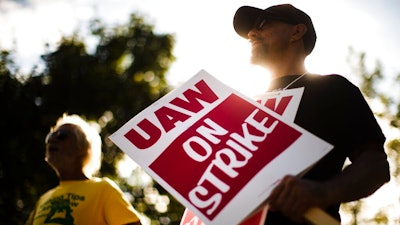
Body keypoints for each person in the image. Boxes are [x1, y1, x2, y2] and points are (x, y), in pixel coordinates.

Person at [233, 4, 390, 225]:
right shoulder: (243, 105)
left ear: (297, 32)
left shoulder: (332, 89)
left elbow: (375, 166)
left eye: (262, 24)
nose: (251, 34)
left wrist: (324, 192)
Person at [25, 114, 142, 225]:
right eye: (50, 136)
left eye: (62, 135)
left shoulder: (103, 189)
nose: (52, 140)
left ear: (82, 147)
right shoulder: (42, 200)